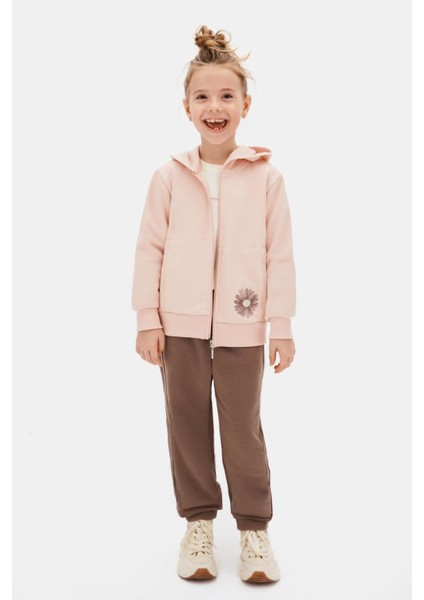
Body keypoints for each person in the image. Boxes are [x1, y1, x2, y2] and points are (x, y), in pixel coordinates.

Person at [131, 25, 296, 584]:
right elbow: (149, 250)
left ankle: (254, 531)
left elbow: (279, 256)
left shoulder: (267, 178)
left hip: (243, 325)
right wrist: (147, 319)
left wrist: (281, 325)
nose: (214, 107)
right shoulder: (168, 177)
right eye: (202, 96)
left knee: (242, 427)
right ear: (187, 108)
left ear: (246, 105)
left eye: (227, 95)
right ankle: (198, 526)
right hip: (177, 326)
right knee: (186, 424)